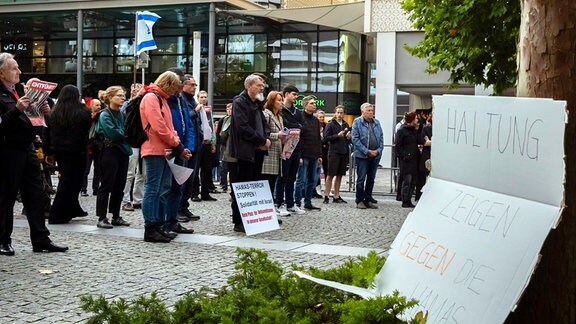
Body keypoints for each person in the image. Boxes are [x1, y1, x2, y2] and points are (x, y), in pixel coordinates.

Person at [0, 52, 68, 255]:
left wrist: (43, 110)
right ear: (1, 72)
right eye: (14, 68)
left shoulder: (20, 89)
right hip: (7, 150)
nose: (19, 71)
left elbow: (33, 120)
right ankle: (3, 239)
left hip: (27, 147)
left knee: (36, 194)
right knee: (6, 196)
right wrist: (17, 110)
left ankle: (41, 239)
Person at [140, 71, 191, 242]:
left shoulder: (161, 99)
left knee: (163, 189)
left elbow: (168, 126)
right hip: (154, 150)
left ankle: (160, 225)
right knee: (153, 189)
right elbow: (159, 126)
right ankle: (151, 226)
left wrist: (176, 143)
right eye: (175, 88)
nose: (175, 93)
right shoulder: (151, 98)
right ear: (168, 85)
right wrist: (176, 143)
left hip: (165, 150)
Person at [43, 85, 92, 224]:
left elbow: (47, 134)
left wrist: (48, 152)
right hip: (78, 151)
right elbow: (85, 133)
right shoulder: (83, 112)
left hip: (60, 152)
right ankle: (58, 212)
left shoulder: (54, 113)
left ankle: (69, 208)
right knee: (74, 182)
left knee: (65, 180)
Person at [229, 74, 270, 233]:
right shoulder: (239, 102)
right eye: (259, 85)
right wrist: (260, 141)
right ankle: (238, 221)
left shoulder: (257, 103)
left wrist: (265, 139)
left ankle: (251, 218)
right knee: (241, 187)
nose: (262, 88)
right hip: (244, 153)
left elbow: (263, 124)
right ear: (249, 86)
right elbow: (243, 127)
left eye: (262, 85)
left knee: (253, 186)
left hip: (257, 152)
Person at [94, 86, 132, 228]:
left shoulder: (121, 114)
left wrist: (123, 134)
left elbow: (124, 131)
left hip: (122, 152)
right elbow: (114, 134)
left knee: (120, 185)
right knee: (106, 185)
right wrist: (124, 134)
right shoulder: (105, 115)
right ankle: (102, 217)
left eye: (123, 95)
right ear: (110, 97)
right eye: (119, 95)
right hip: (109, 152)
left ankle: (116, 215)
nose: (122, 98)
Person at [164, 73, 195, 233]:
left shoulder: (181, 101)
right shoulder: (165, 101)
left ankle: (173, 221)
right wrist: (179, 147)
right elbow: (167, 127)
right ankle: (163, 222)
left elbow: (189, 126)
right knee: (165, 188)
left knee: (178, 188)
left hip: (183, 151)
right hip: (170, 150)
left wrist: (188, 147)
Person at [275, 85, 304, 215]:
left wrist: (295, 126)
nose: (295, 97)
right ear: (286, 94)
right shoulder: (282, 110)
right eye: (293, 94)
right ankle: (279, 203)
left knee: (292, 177)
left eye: (297, 95)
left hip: (296, 147)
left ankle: (290, 203)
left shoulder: (297, 111)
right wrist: (295, 126)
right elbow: (285, 126)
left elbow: (302, 127)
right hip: (284, 148)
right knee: (282, 176)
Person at [351, 102, 383, 210]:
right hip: (362, 156)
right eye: (368, 110)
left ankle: (368, 199)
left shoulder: (376, 122)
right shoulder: (357, 122)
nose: (371, 112)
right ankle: (359, 200)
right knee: (361, 179)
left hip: (375, 156)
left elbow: (381, 138)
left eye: (372, 110)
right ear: (363, 111)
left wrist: (378, 151)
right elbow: (355, 138)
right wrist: (366, 151)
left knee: (371, 179)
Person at [294, 95, 323, 211]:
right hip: (303, 154)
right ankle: (296, 203)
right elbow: (298, 138)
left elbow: (317, 138)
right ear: (305, 105)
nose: (314, 105)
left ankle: (308, 202)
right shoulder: (300, 117)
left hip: (314, 154)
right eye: (312, 103)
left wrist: (320, 155)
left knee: (312, 179)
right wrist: (299, 155)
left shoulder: (316, 120)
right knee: (300, 180)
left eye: (314, 103)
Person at [261, 91, 287, 216]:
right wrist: (278, 135)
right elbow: (263, 133)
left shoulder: (280, 117)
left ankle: (270, 207)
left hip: (277, 154)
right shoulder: (266, 114)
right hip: (268, 154)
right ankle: (266, 209)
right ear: (272, 101)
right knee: (267, 182)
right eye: (279, 100)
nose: (281, 102)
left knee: (273, 182)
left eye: (282, 100)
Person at [121, 83, 145, 211]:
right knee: (130, 173)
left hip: (143, 142)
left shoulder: (144, 102)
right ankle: (125, 199)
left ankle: (138, 199)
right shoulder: (129, 104)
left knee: (142, 173)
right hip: (132, 141)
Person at [322, 105, 351, 204]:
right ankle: (326, 195)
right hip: (333, 152)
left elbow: (349, 141)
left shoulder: (346, 124)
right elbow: (325, 138)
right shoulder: (330, 124)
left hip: (343, 152)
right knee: (330, 175)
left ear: (344, 114)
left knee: (340, 175)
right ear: (335, 113)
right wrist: (337, 136)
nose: (339, 114)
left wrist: (348, 137)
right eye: (338, 112)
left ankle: (336, 195)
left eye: (341, 113)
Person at [395, 111, 422, 208]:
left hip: (414, 159)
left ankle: (409, 199)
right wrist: (403, 156)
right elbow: (397, 146)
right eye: (415, 118)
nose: (417, 120)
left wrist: (418, 130)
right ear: (411, 120)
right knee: (407, 180)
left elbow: (420, 141)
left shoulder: (414, 130)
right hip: (406, 160)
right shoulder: (402, 131)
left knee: (413, 181)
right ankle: (404, 200)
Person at [81, 98, 102, 197]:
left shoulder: (101, 116)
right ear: (91, 106)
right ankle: (83, 188)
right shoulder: (86, 116)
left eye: (100, 105)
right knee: (86, 168)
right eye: (96, 105)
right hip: (88, 144)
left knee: (98, 168)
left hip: (97, 144)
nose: (98, 107)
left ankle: (96, 188)